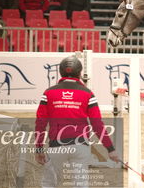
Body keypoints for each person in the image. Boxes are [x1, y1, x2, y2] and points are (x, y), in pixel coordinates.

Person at [35, 56, 120, 188]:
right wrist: (110, 149)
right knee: (80, 184)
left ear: (60, 72)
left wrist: (39, 148)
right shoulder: (87, 93)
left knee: (49, 183)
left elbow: (40, 123)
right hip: (80, 146)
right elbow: (97, 125)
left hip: (56, 146)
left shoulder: (49, 93)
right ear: (79, 73)